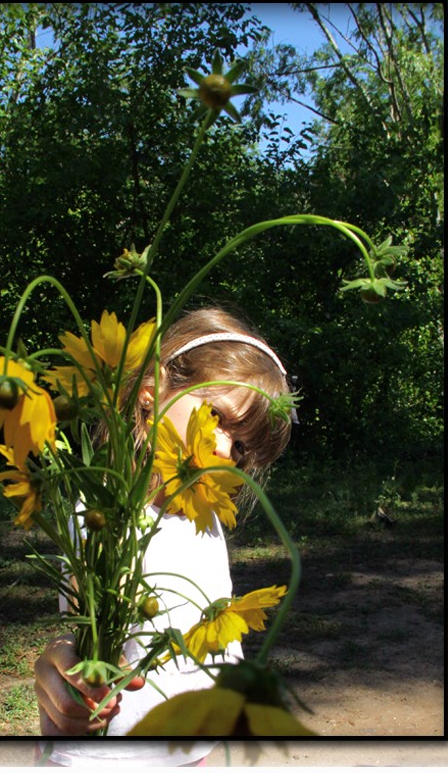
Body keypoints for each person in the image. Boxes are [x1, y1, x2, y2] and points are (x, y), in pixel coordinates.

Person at [33, 306, 293, 766]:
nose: (225, 448)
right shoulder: (103, 515)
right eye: (217, 416)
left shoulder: (204, 514)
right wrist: (60, 664)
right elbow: (82, 627)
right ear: (151, 395)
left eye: (243, 446)